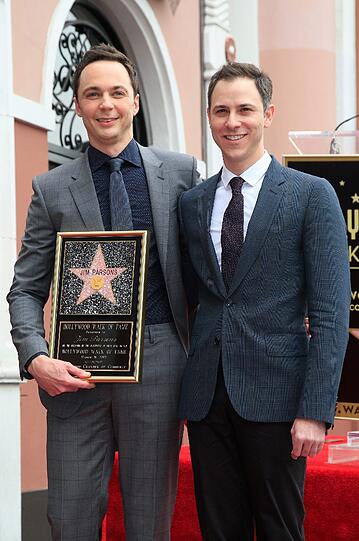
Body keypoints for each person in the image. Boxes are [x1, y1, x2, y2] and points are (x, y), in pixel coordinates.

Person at [7, 44, 199, 541]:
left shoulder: (180, 174)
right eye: (93, 94)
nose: (106, 104)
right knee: (69, 520)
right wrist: (35, 357)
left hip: (158, 366)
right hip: (75, 371)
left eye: (117, 92)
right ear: (77, 105)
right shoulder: (50, 188)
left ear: (135, 101)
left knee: (148, 521)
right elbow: (25, 288)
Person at [178, 62, 350, 541]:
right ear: (209, 118)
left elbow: (332, 314)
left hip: (279, 401)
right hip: (207, 399)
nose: (233, 121)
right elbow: (195, 299)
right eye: (221, 111)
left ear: (268, 113)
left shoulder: (311, 196)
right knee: (219, 530)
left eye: (245, 109)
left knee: (280, 530)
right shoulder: (193, 203)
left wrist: (315, 410)